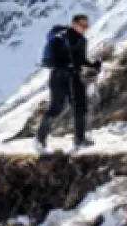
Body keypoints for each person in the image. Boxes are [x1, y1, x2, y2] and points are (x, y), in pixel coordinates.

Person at [35, 13, 102, 153]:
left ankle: (80, 139)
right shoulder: (59, 39)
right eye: (82, 25)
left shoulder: (83, 40)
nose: (84, 28)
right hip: (59, 77)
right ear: (74, 24)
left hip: (75, 76)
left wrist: (93, 65)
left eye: (86, 25)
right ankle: (40, 139)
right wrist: (66, 68)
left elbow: (81, 59)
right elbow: (53, 60)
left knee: (80, 107)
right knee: (56, 108)